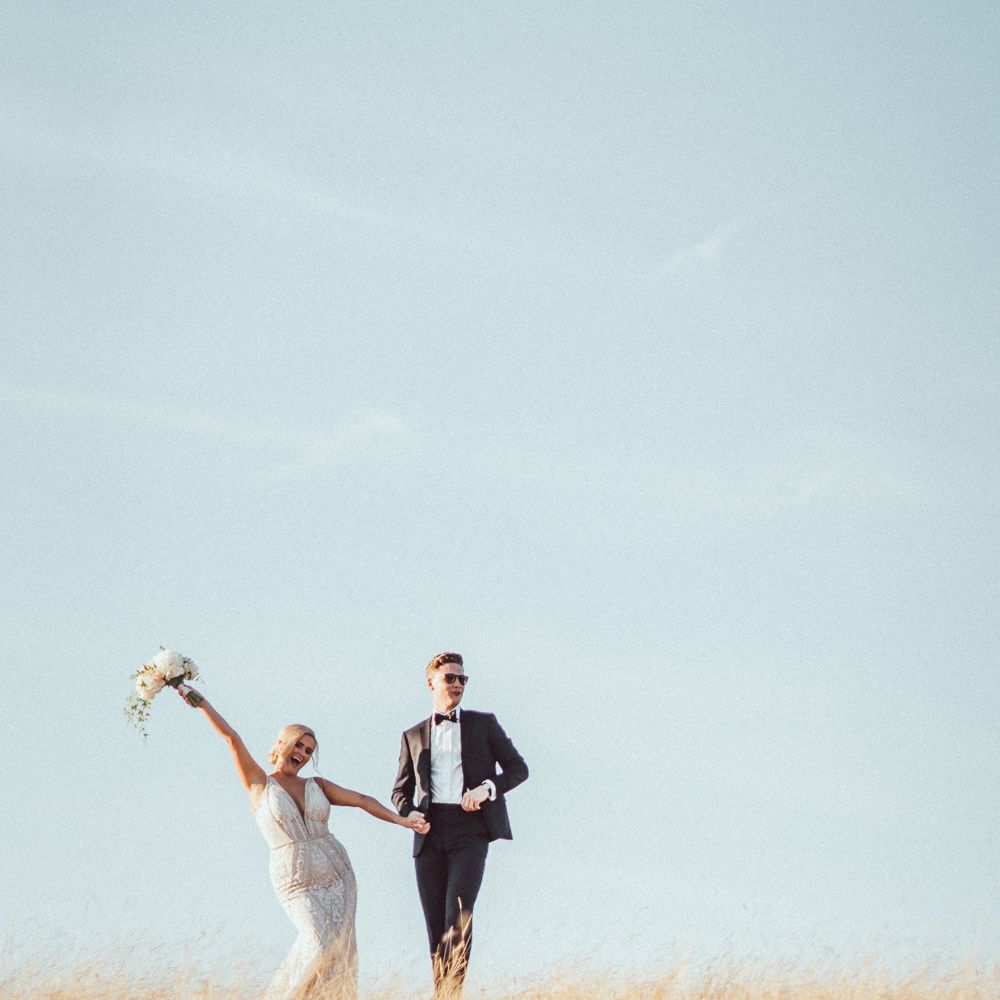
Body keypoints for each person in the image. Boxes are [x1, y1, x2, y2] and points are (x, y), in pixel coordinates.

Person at [177, 685, 429, 1000]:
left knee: (339, 952)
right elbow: (231, 737)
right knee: (317, 941)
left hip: (338, 874)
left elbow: (363, 800)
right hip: (295, 880)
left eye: (309, 750)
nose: (303, 754)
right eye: (299, 745)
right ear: (282, 743)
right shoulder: (259, 783)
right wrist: (201, 703)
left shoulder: (317, 785)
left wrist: (403, 821)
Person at [392, 652, 528, 996]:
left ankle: (453, 992)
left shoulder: (484, 724)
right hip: (429, 833)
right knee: (435, 927)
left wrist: (486, 789)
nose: (457, 684)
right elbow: (400, 791)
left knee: (458, 916)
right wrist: (410, 813)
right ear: (431, 683)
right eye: (450, 678)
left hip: (470, 831)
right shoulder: (412, 736)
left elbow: (518, 768)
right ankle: (443, 994)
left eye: (462, 679)